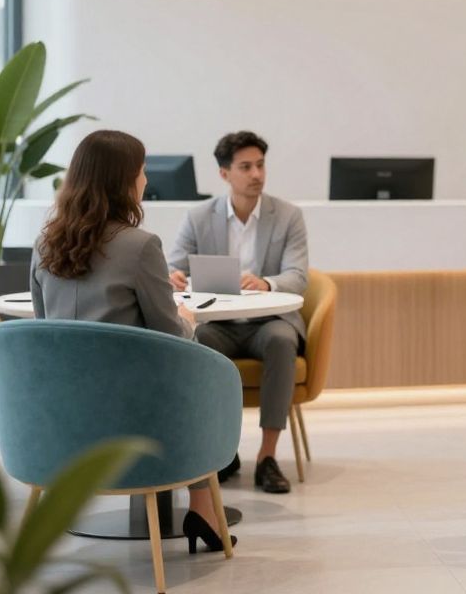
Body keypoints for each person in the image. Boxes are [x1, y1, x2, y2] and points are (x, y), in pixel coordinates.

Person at [31, 129, 234, 552]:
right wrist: (187, 319)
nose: (145, 182)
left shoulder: (43, 245)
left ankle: (202, 511)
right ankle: (203, 507)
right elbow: (168, 336)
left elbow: (43, 327)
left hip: (56, 418)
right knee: (199, 375)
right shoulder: (140, 246)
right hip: (128, 417)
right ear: (123, 181)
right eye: (141, 173)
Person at [168, 131, 309, 494]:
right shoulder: (199, 217)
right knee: (197, 343)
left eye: (260, 165)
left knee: (282, 340)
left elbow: (298, 276)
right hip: (220, 325)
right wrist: (175, 276)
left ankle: (267, 457)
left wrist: (265, 282)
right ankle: (221, 452)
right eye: (245, 167)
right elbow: (171, 268)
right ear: (224, 174)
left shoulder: (288, 216)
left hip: (268, 323)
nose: (256, 175)